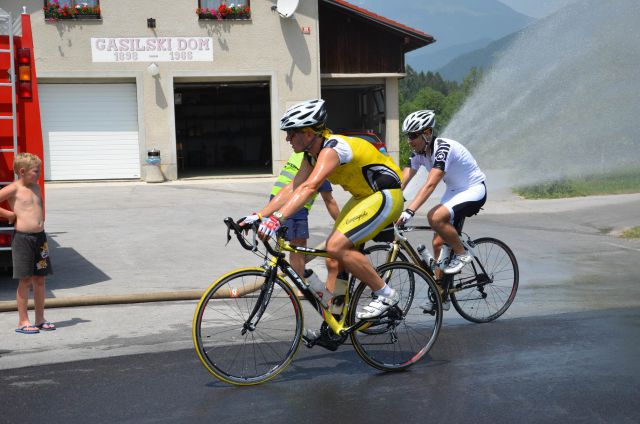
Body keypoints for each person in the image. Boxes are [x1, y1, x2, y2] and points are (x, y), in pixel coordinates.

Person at [241, 99, 404, 326]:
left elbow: (310, 187)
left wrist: (277, 219)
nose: (287, 139)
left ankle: (385, 294)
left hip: (386, 195)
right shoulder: (311, 155)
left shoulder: (332, 149)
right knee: (333, 259)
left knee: (336, 246)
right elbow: (293, 187)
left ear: (308, 134)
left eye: (291, 133)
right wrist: (260, 215)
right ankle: (336, 319)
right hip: (363, 198)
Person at [396, 110, 486, 308]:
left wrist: (409, 211)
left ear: (427, 133)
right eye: (407, 136)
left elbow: (430, 184)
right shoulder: (419, 153)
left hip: (473, 189)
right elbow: (404, 180)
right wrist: (390, 201)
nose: (409, 141)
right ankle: (441, 295)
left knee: (435, 217)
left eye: (413, 136)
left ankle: (462, 253)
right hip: (454, 191)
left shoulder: (442, 149)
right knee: (437, 242)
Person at [0, 153, 55, 334]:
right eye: (35, 171)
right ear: (22, 172)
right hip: (23, 239)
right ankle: (23, 321)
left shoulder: (37, 187)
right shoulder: (13, 189)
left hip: (40, 239)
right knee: (25, 280)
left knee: (40, 279)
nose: (39, 174)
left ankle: (40, 319)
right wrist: (8, 215)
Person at [269, 151, 339, 279]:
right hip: (294, 203)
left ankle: (297, 276)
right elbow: (329, 200)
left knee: (290, 245)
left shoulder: (302, 154)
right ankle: (300, 287)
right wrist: (342, 223)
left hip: (276, 198)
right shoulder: (319, 164)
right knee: (297, 247)